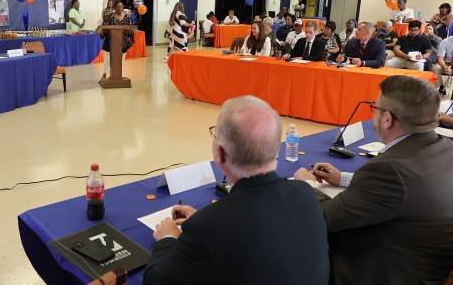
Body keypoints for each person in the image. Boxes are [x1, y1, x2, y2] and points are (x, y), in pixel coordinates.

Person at [143, 96, 329, 285]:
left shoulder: (207, 227)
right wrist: (210, 221)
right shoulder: (306, 193)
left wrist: (167, 238)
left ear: (220, 153)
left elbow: (156, 281)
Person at [294, 75, 453, 284]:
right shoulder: (446, 147)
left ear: (387, 119)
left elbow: (328, 219)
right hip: (424, 266)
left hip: (378, 272)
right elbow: (406, 190)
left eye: (374, 108)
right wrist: (343, 178)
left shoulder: (389, 170)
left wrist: (306, 185)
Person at [99, 1, 134, 79]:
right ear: (114, 8)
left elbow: (130, 28)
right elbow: (104, 27)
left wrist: (130, 34)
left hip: (123, 42)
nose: (120, 8)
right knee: (108, 59)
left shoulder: (126, 18)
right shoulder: (109, 17)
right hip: (110, 42)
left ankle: (117, 75)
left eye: (121, 7)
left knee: (120, 60)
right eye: (118, 7)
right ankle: (104, 75)